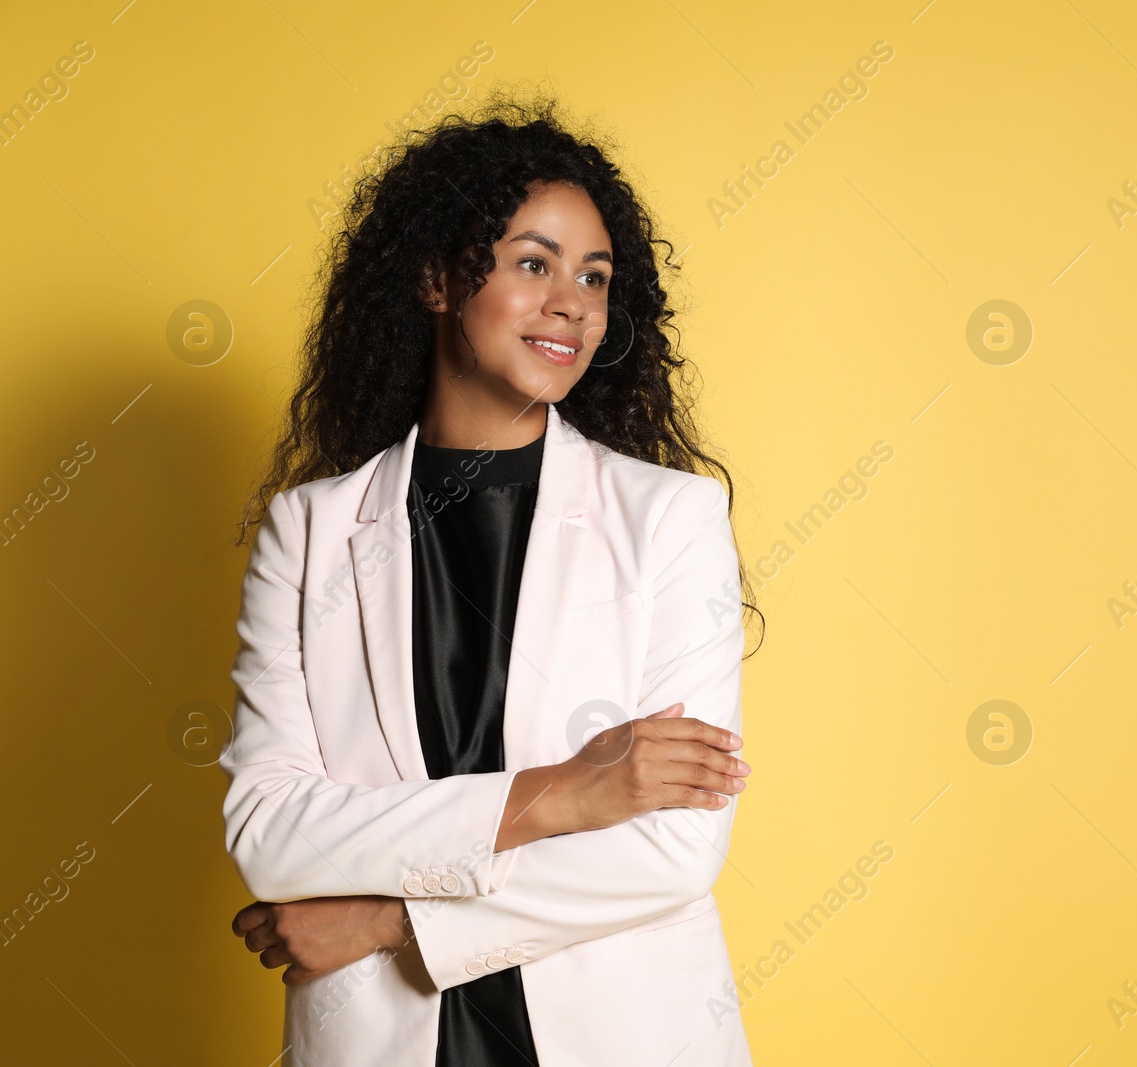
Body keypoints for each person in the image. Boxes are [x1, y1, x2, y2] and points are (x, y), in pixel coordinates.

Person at [220, 90, 762, 1067]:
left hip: (625, 1034)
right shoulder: (306, 533)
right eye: (532, 263)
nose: (572, 301)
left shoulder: (670, 519)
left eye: (594, 276)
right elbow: (271, 831)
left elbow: (673, 847)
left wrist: (392, 920)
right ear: (437, 279)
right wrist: (560, 792)